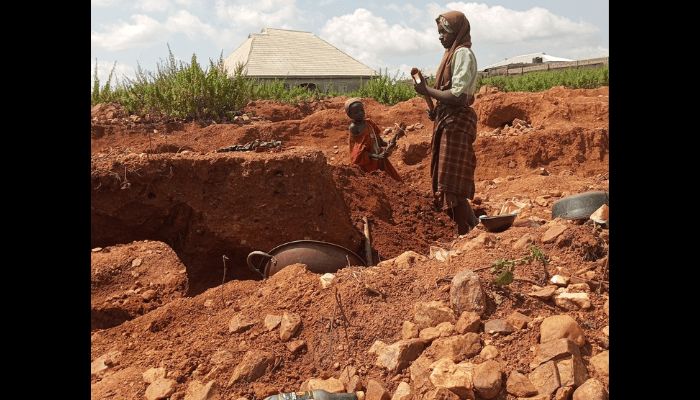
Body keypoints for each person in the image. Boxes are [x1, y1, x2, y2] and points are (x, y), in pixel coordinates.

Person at [413, 10, 480, 235]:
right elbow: (448, 95)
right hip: (447, 119)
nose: (440, 36)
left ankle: (463, 233)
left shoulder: (462, 55)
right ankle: (472, 228)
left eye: (444, 31)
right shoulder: (450, 55)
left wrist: (426, 90)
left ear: (457, 32)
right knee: (447, 180)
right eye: (439, 32)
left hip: (456, 124)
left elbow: (458, 96)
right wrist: (437, 109)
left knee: (451, 183)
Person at [344, 98, 402, 182]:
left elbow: (378, 139)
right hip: (367, 163)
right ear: (350, 115)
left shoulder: (369, 123)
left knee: (392, 180)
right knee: (373, 183)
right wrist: (376, 156)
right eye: (356, 112)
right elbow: (358, 151)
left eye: (361, 110)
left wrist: (389, 143)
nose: (360, 113)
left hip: (379, 158)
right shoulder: (354, 127)